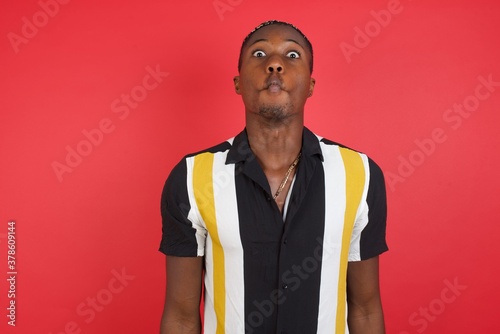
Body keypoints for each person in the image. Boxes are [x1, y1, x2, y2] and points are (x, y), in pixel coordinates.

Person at [159, 20, 388, 334]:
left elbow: (364, 310)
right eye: (260, 53)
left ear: (310, 84)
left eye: (292, 56)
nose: (275, 64)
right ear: (238, 82)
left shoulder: (359, 174)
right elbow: (181, 317)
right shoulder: (191, 177)